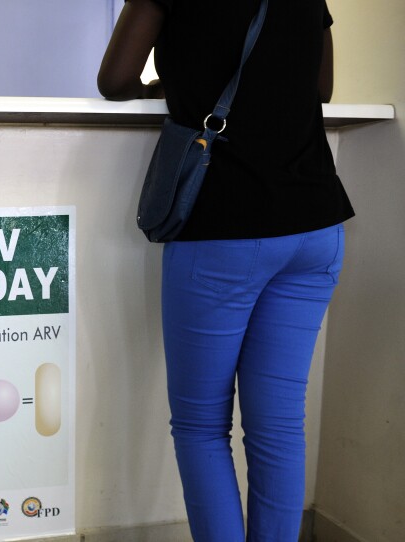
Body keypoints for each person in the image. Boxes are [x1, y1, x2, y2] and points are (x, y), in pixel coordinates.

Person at [97, 1, 355, 540]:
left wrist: (162, 87)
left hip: (222, 226)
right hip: (315, 226)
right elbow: (323, 88)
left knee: (201, 427)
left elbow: (115, 80)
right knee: (278, 427)